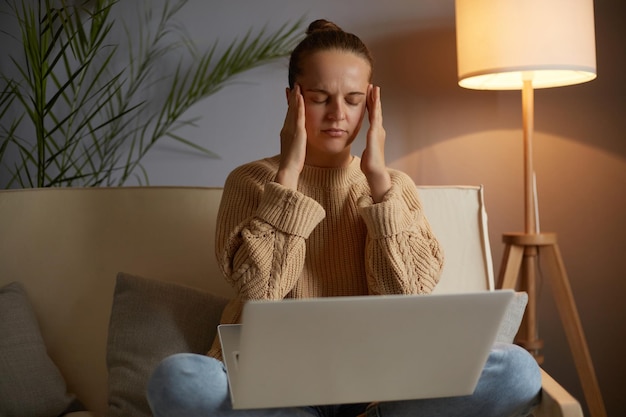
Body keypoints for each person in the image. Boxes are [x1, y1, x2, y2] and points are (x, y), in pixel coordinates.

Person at [147, 19, 541, 417]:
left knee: (518, 371)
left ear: (371, 104)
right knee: (178, 379)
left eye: (353, 100)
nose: (338, 114)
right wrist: (288, 176)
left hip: (383, 390)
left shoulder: (395, 187)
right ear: (292, 98)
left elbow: (408, 301)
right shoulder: (250, 181)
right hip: (275, 391)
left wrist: (379, 184)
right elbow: (259, 291)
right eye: (320, 98)